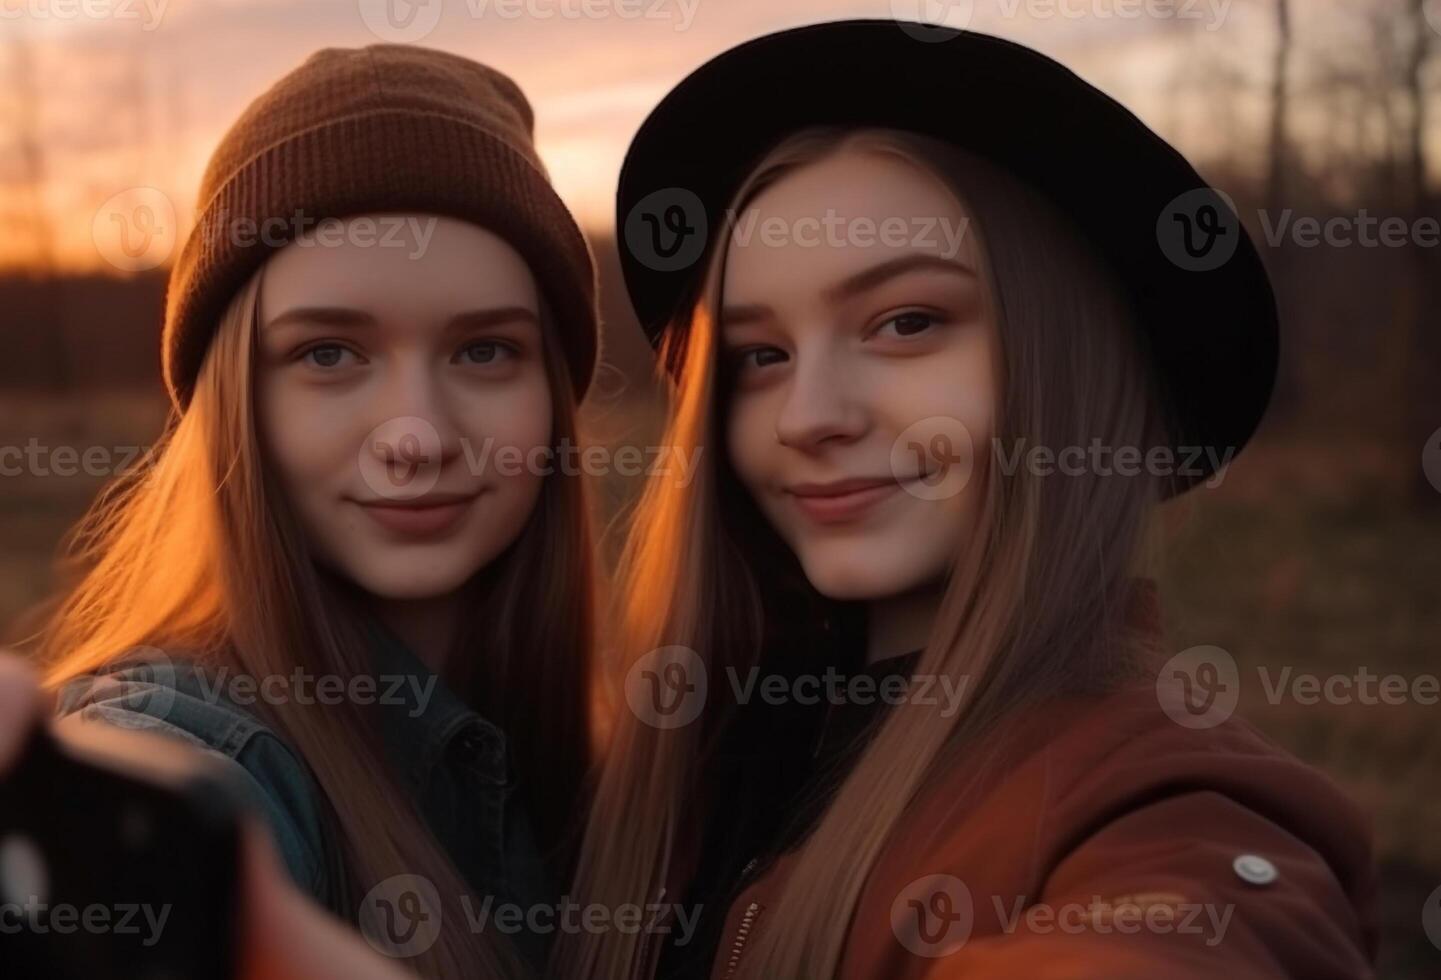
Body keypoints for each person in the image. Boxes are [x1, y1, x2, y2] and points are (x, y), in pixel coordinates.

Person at [555, 21, 1378, 979]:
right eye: (760, 356)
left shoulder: (1164, 803)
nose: (807, 415)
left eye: (907, 322)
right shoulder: (664, 771)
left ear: (1067, 370)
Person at [29, 44, 600, 977]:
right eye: (329, 354)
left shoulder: (606, 772)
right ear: (233, 408)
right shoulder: (185, 750)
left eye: (485, 352)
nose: (415, 436)